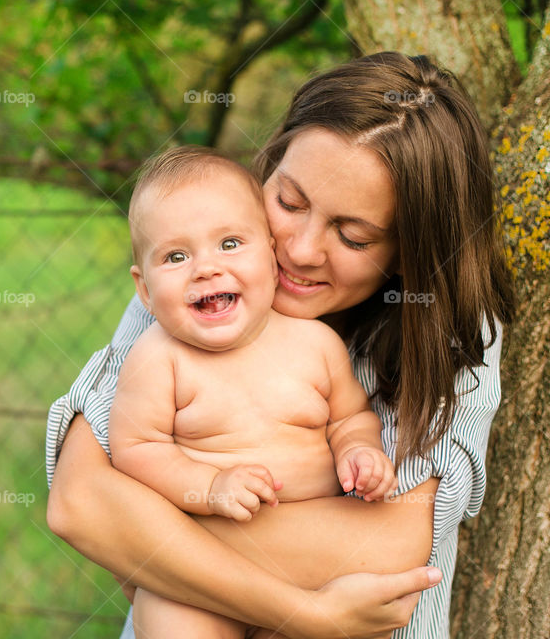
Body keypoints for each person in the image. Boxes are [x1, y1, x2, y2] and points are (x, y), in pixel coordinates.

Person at [46, 51, 515, 638]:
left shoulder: (450, 335)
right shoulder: (198, 285)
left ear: (409, 254)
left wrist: (148, 541)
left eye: (352, 234)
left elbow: (391, 543)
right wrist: (309, 612)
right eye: (289, 202)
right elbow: (80, 503)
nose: (297, 249)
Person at [110, 146, 398, 637]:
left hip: (311, 572)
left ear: (269, 252)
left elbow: (350, 417)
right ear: (144, 289)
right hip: (198, 580)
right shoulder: (159, 358)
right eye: (176, 256)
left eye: (229, 244)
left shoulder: (315, 344)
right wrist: (209, 486)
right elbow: (136, 449)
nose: (205, 268)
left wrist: (360, 451)